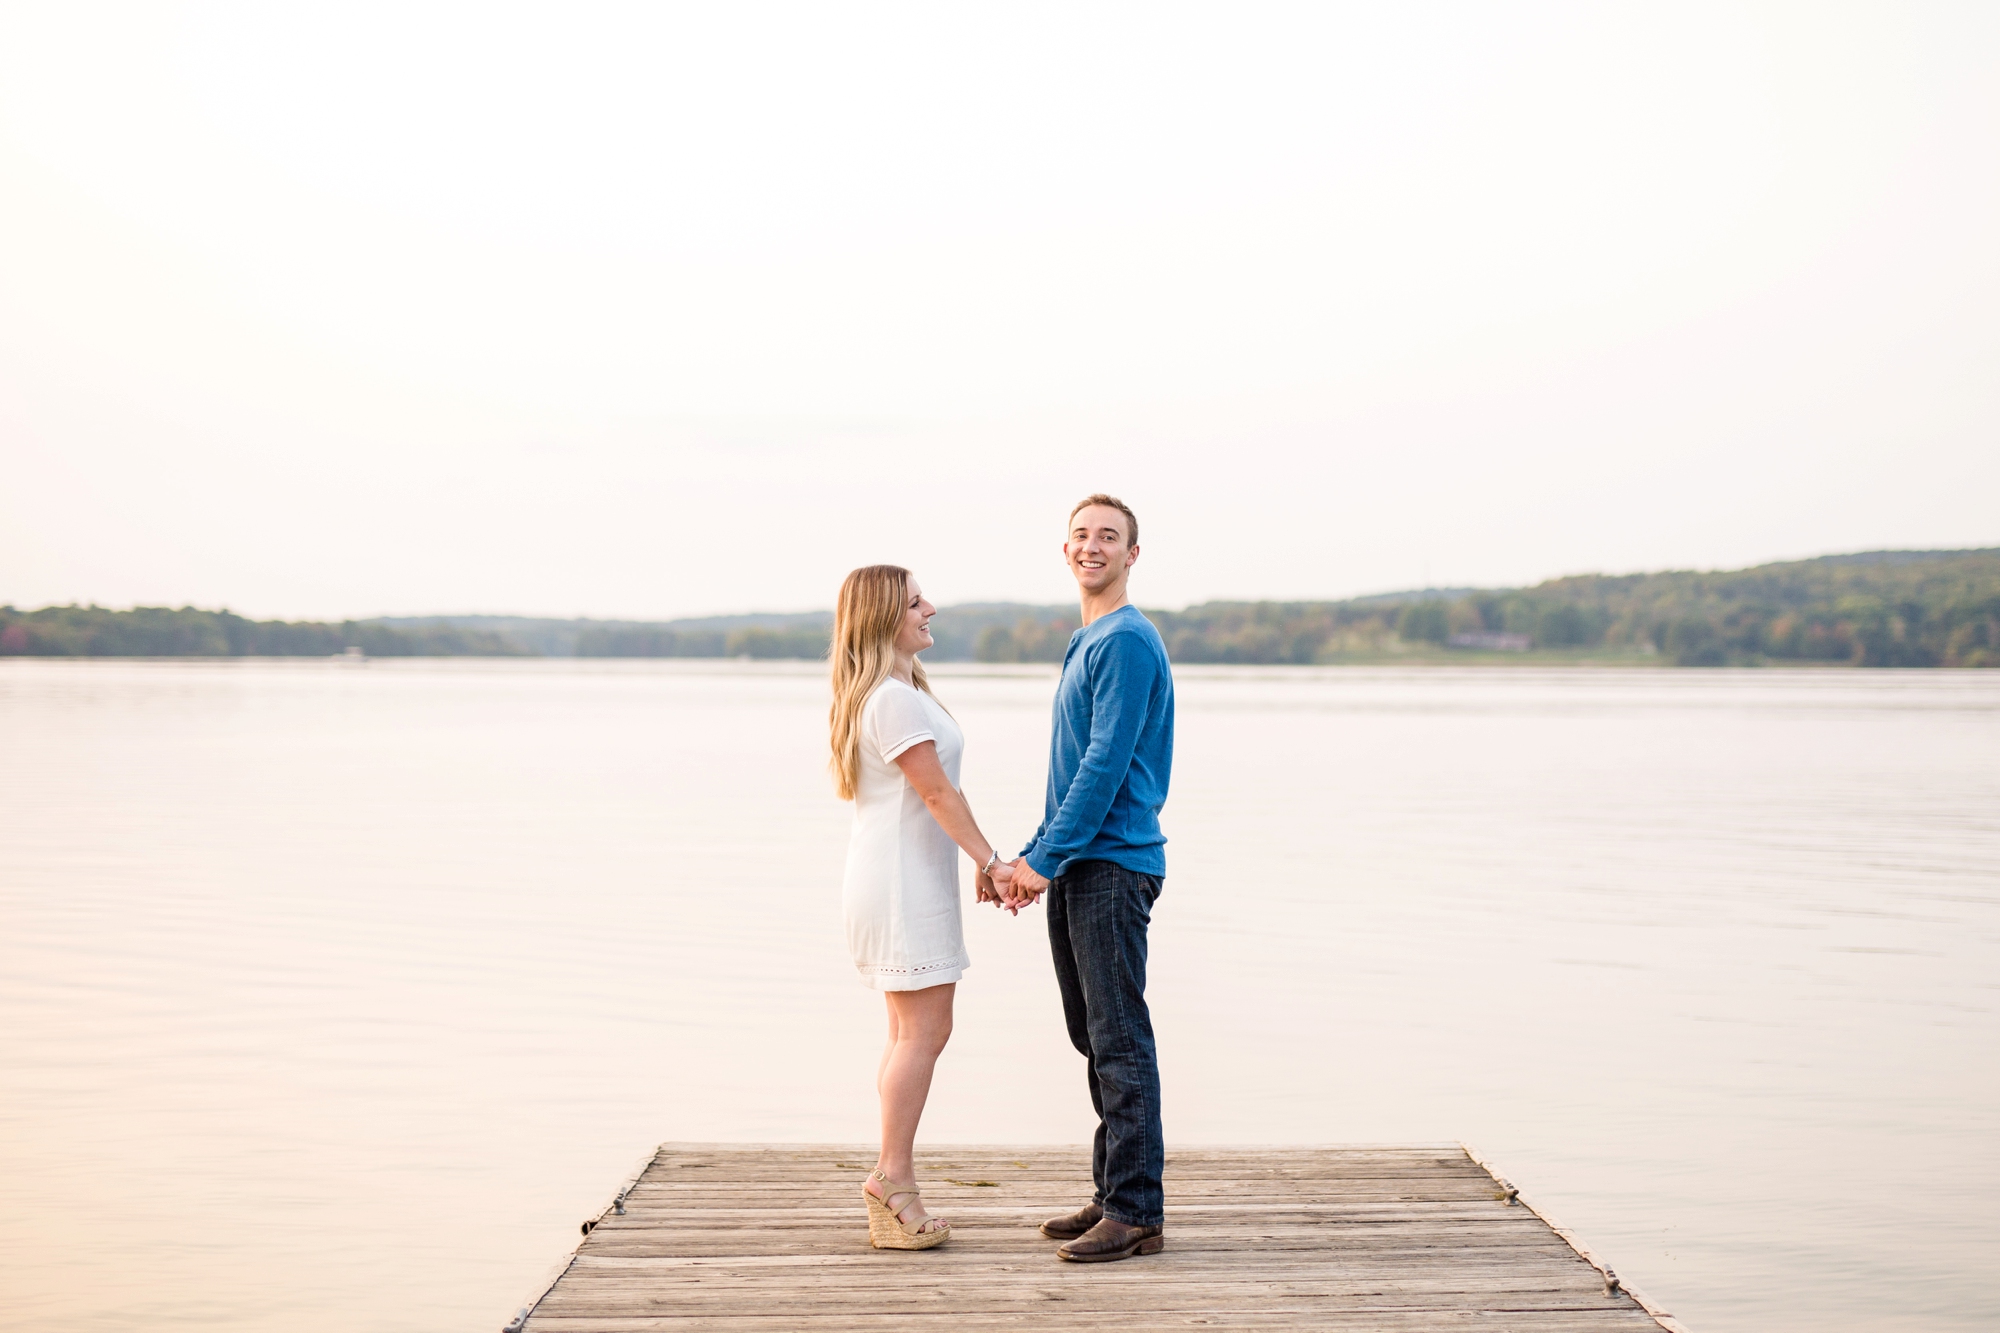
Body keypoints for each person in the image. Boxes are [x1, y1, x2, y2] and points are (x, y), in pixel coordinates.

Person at [1002, 494, 1176, 1263]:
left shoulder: (1129, 641)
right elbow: (1067, 774)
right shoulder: (1087, 639)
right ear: (1064, 549)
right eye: (1081, 535)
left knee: (1118, 1035)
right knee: (1091, 1032)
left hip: (1113, 863)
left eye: (1109, 535)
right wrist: (1029, 856)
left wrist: (1043, 860)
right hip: (1079, 860)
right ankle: (1114, 1191)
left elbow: (1105, 766)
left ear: (1133, 553)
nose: (1092, 545)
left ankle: (1136, 1208)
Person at [829, 564, 1015, 1251]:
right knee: (922, 1033)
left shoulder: (897, 691)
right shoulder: (892, 700)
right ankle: (892, 1180)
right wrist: (989, 860)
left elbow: (936, 798)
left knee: (911, 1033)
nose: (929, 607)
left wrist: (971, 857)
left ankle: (892, 1176)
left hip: (905, 875)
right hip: (901, 883)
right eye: (914, 602)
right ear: (884, 616)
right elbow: (937, 795)